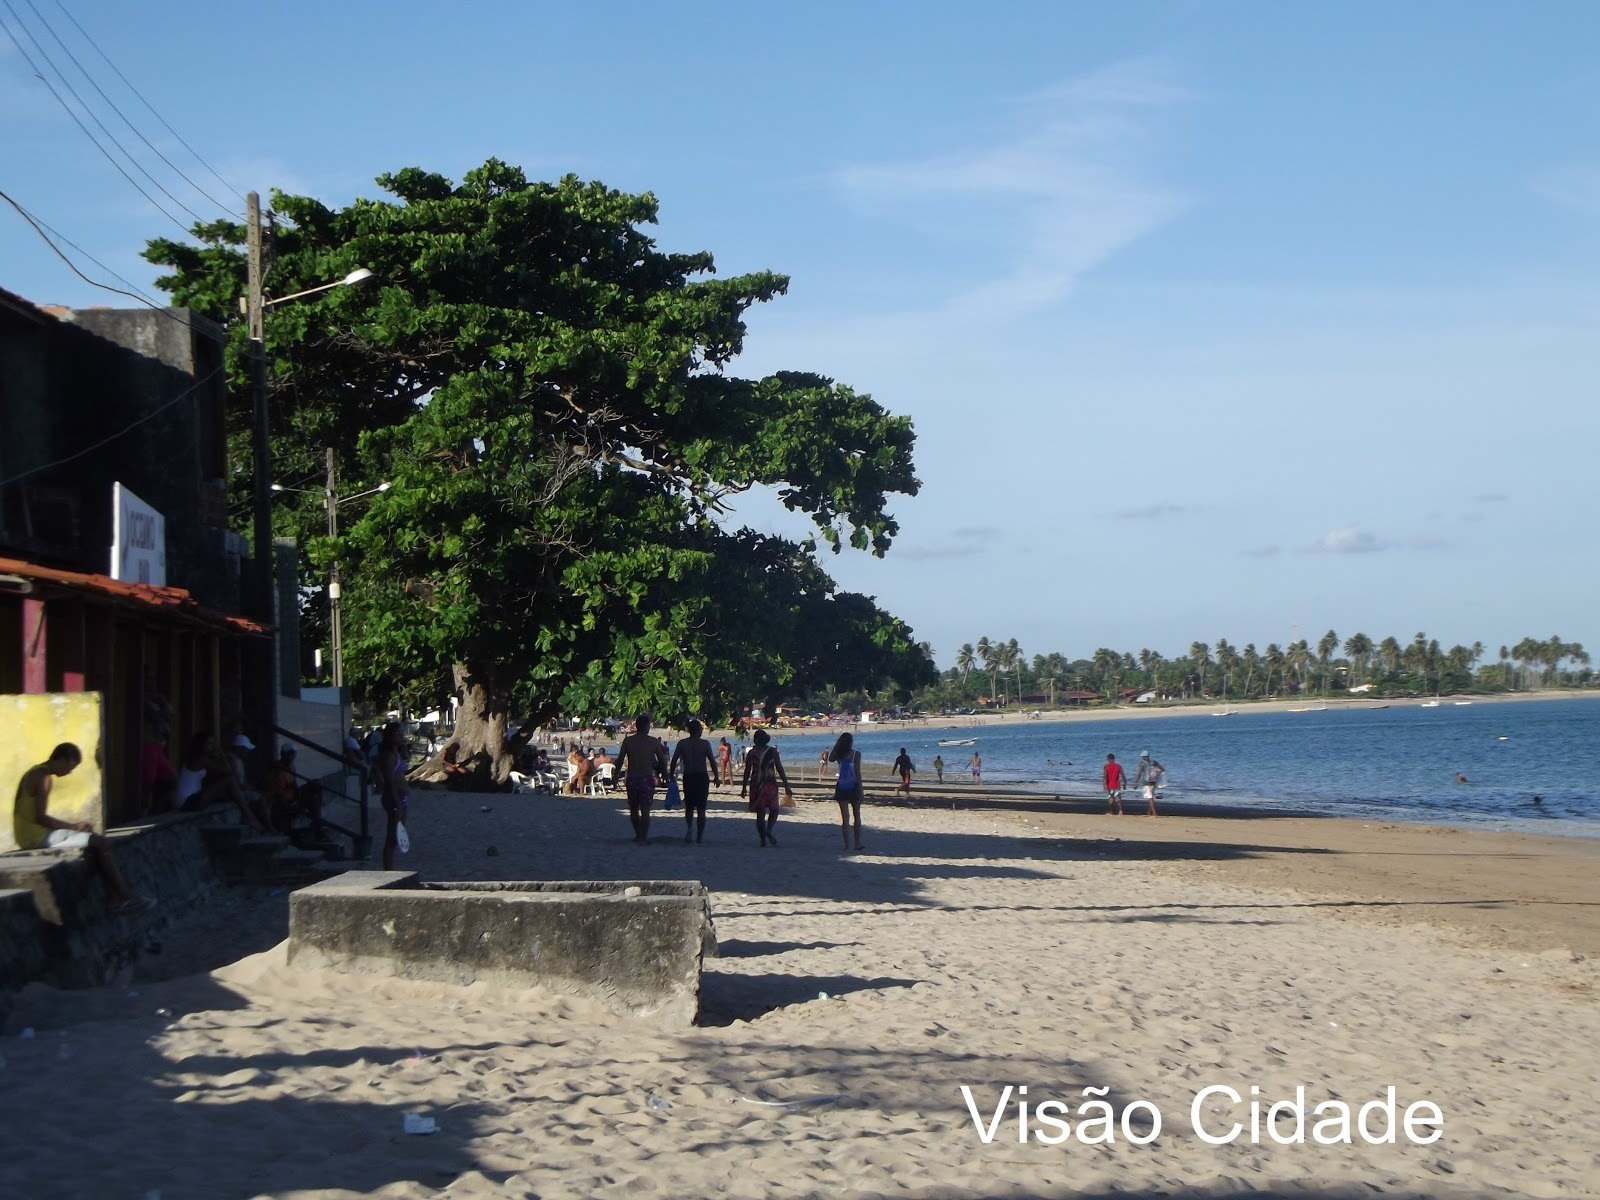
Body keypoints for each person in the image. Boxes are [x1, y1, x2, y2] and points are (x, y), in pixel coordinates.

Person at [13, 743, 150, 915]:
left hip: (25, 835)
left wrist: (74, 828)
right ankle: (123, 895)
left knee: (91, 839)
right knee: (100, 842)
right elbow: (41, 818)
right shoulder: (44, 778)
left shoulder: (34, 771)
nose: (69, 772)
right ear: (61, 759)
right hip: (35, 837)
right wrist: (74, 827)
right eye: (70, 767)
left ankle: (116, 896)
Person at [177, 732, 267, 831]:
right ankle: (250, 818)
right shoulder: (201, 759)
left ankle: (249, 817)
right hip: (189, 802)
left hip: (190, 801)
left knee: (227, 784)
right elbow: (228, 772)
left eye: (213, 744)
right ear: (200, 745)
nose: (212, 747)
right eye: (209, 744)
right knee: (229, 779)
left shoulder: (196, 758)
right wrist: (221, 753)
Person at [618, 715, 669, 844]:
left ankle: (638, 834)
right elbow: (662, 760)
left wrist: (615, 776)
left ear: (636, 726)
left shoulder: (628, 741)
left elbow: (620, 759)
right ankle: (643, 838)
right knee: (645, 810)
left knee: (633, 809)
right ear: (647, 726)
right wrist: (665, 775)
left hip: (632, 778)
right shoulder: (653, 742)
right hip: (646, 778)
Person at [669, 719, 720, 844]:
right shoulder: (704, 744)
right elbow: (712, 761)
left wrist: (671, 775)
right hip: (701, 777)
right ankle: (699, 837)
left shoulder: (682, 744)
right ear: (698, 730)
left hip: (689, 776)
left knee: (689, 806)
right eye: (701, 729)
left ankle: (690, 829)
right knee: (701, 808)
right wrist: (716, 777)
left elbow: (674, 760)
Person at [740, 728, 792, 847]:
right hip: (770, 783)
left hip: (756, 784)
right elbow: (779, 768)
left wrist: (744, 787)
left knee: (760, 813)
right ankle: (769, 829)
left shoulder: (752, 753)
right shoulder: (772, 751)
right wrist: (786, 786)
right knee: (774, 809)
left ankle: (763, 839)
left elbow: (747, 771)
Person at [377, 723, 410, 871]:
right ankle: (388, 869)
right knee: (391, 836)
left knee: (397, 836)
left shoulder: (397, 753)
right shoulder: (388, 756)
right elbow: (389, 781)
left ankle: (390, 866)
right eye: (398, 734)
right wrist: (397, 803)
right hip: (394, 797)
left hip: (402, 797)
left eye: (402, 734)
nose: (401, 736)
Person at [830, 731, 865, 852]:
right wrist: (861, 790)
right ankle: (857, 843)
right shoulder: (856, 754)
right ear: (851, 742)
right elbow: (858, 773)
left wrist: (837, 744)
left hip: (841, 787)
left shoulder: (838, 755)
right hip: (854, 786)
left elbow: (830, 758)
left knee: (845, 818)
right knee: (857, 816)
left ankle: (847, 845)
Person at [1132, 750, 1165, 817]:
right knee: (1151, 797)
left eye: (1143, 756)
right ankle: (1149, 813)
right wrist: (1157, 776)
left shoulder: (1142, 764)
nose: (1142, 758)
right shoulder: (1154, 762)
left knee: (1150, 798)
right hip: (1154, 782)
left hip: (1146, 782)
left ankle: (1154, 813)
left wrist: (1136, 783)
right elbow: (1162, 769)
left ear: (1144, 756)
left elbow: (1139, 774)